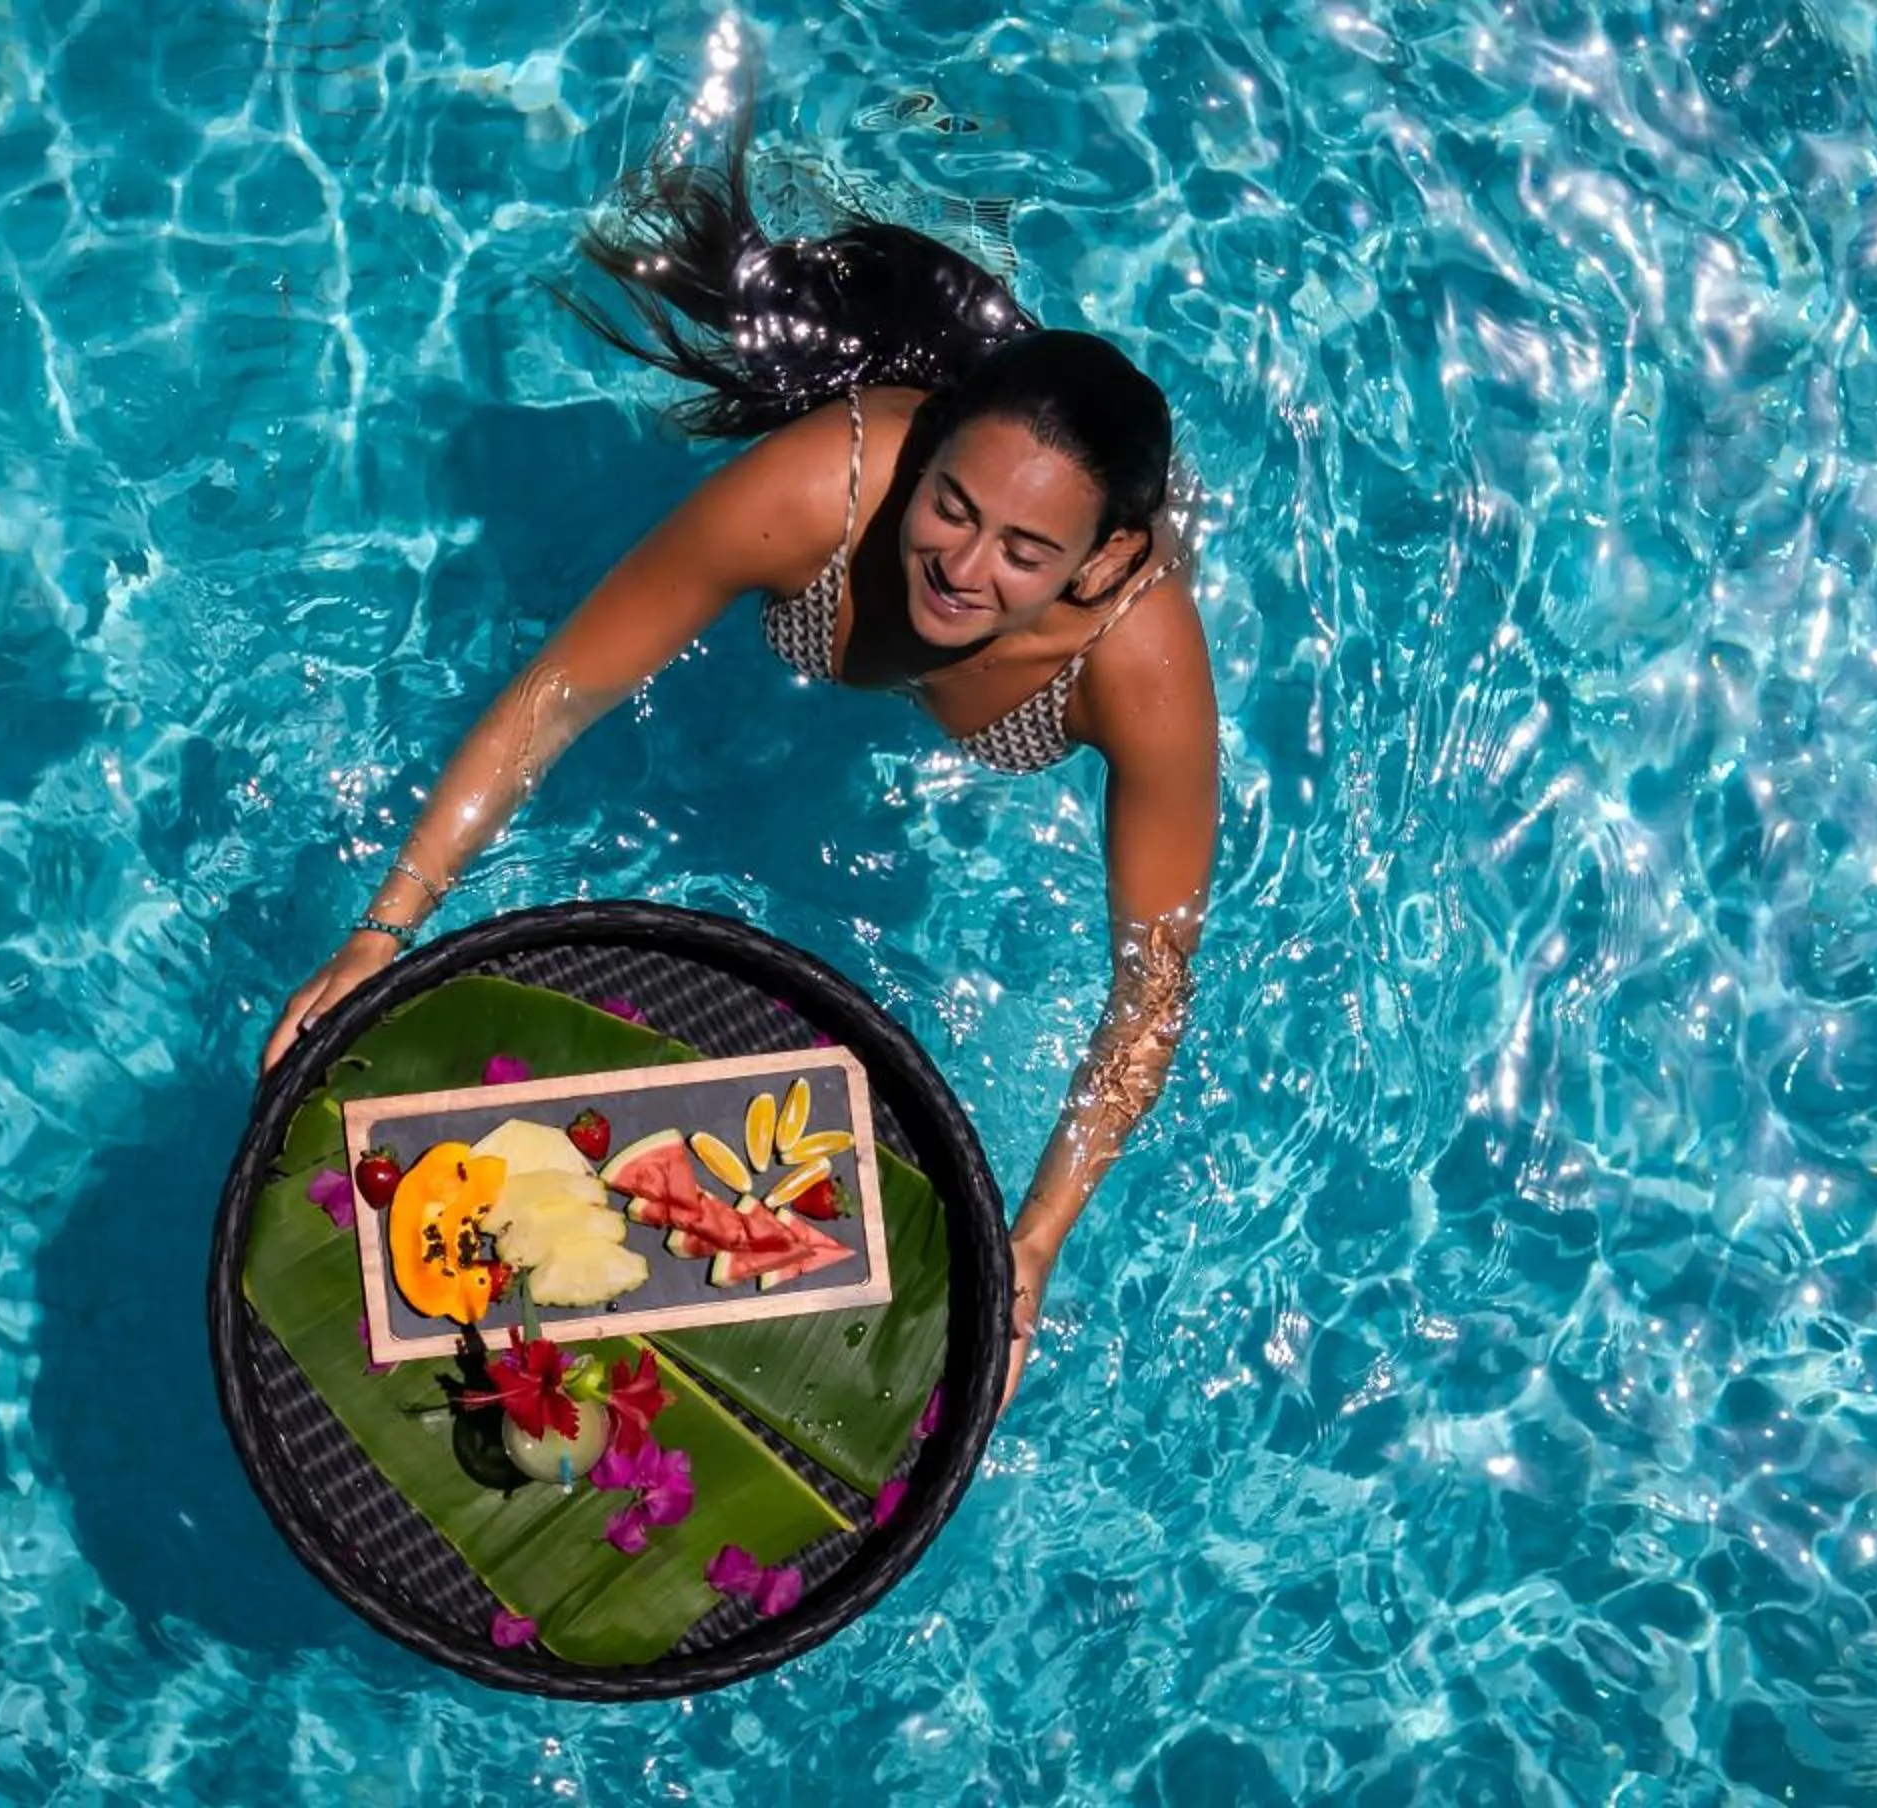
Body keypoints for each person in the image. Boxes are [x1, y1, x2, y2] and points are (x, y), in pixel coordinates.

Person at [262, 116, 1218, 1406]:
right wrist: (388, 923)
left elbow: (1149, 984)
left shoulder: (1138, 666)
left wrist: (1032, 1242)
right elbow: (556, 698)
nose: (961, 568)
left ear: (1098, 565)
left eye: (1025, 553)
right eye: (951, 505)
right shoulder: (817, 490)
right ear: (923, 452)